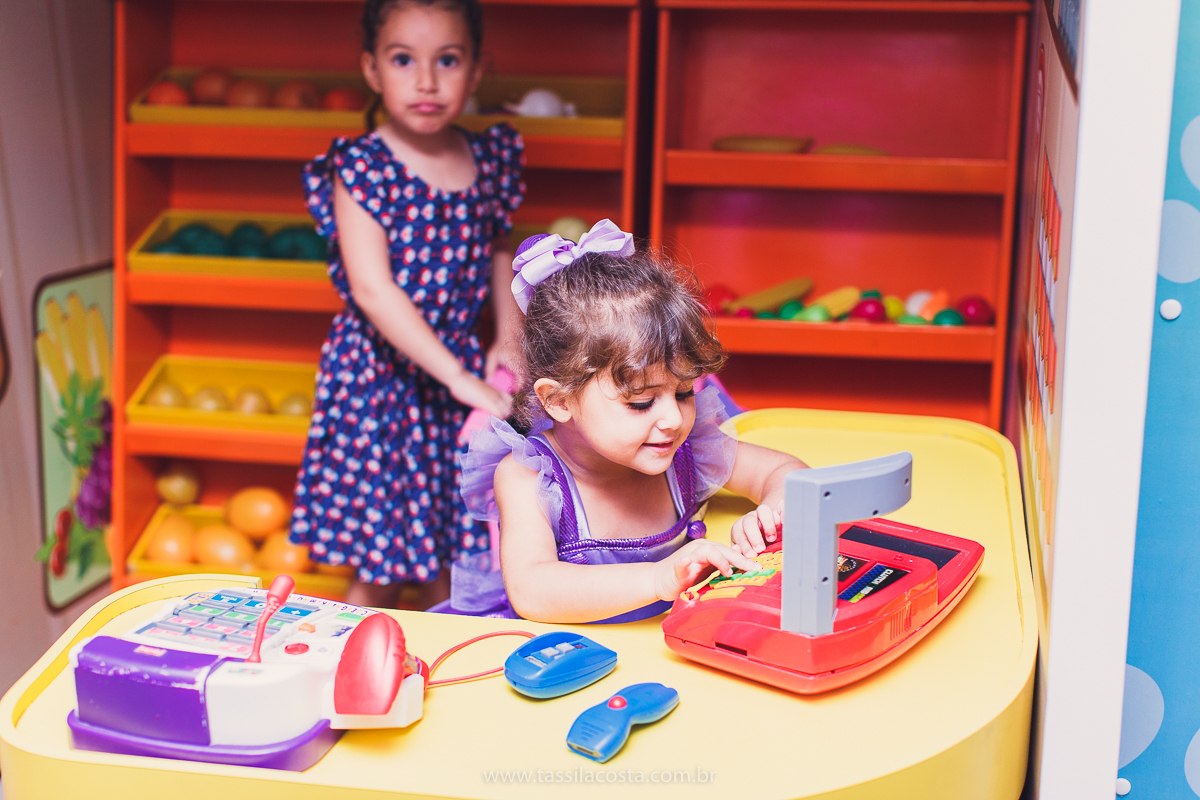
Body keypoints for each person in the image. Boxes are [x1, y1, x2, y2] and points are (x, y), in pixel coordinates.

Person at [289, 0, 524, 608]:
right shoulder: (362, 166)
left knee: (458, 545)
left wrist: (507, 333)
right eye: (403, 60)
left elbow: (499, 244)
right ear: (372, 69)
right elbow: (373, 289)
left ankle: (446, 664)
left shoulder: (487, 157)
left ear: (477, 70)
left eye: (447, 60)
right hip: (383, 380)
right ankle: (341, 674)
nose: (426, 81)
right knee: (382, 555)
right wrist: (457, 377)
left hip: (461, 375)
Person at [456, 221, 808, 623]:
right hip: (574, 663)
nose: (674, 419)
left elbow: (785, 470)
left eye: (683, 392)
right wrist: (658, 579)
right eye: (642, 402)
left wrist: (774, 512)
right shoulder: (529, 477)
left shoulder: (686, 452)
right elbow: (532, 590)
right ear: (558, 400)